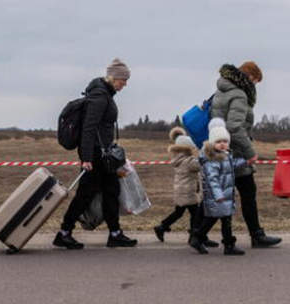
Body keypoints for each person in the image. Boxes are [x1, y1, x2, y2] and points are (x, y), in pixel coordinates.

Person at [53, 58, 138, 249]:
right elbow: (88, 128)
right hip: (95, 155)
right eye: (124, 80)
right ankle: (64, 233)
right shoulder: (99, 96)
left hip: (104, 154)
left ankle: (115, 234)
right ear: (114, 78)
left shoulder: (104, 94)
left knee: (111, 192)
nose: (125, 84)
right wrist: (87, 158)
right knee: (86, 194)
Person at [210, 61, 282, 248]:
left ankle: (197, 234)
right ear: (250, 77)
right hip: (235, 151)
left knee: (219, 193)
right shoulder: (239, 94)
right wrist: (250, 152)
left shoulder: (222, 89)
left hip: (221, 149)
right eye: (256, 81)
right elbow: (234, 127)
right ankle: (257, 235)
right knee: (247, 192)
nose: (256, 86)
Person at [189, 119, 247, 255]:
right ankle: (199, 238)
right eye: (219, 141)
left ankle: (227, 244)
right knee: (213, 219)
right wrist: (218, 195)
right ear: (212, 143)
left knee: (225, 219)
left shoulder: (225, 156)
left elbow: (231, 166)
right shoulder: (212, 160)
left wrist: (245, 161)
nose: (222, 144)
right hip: (217, 196)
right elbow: (212, 180)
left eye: (225, 141)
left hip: (225, 195)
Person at [153, 127, 217, 247]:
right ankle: (194, 236)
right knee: (195, 214)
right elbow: (200, 165)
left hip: (183, 190)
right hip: (188, 191)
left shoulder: (179, 159)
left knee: (179, 212)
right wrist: (207, 153)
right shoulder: (188, 161)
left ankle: (162, 227)